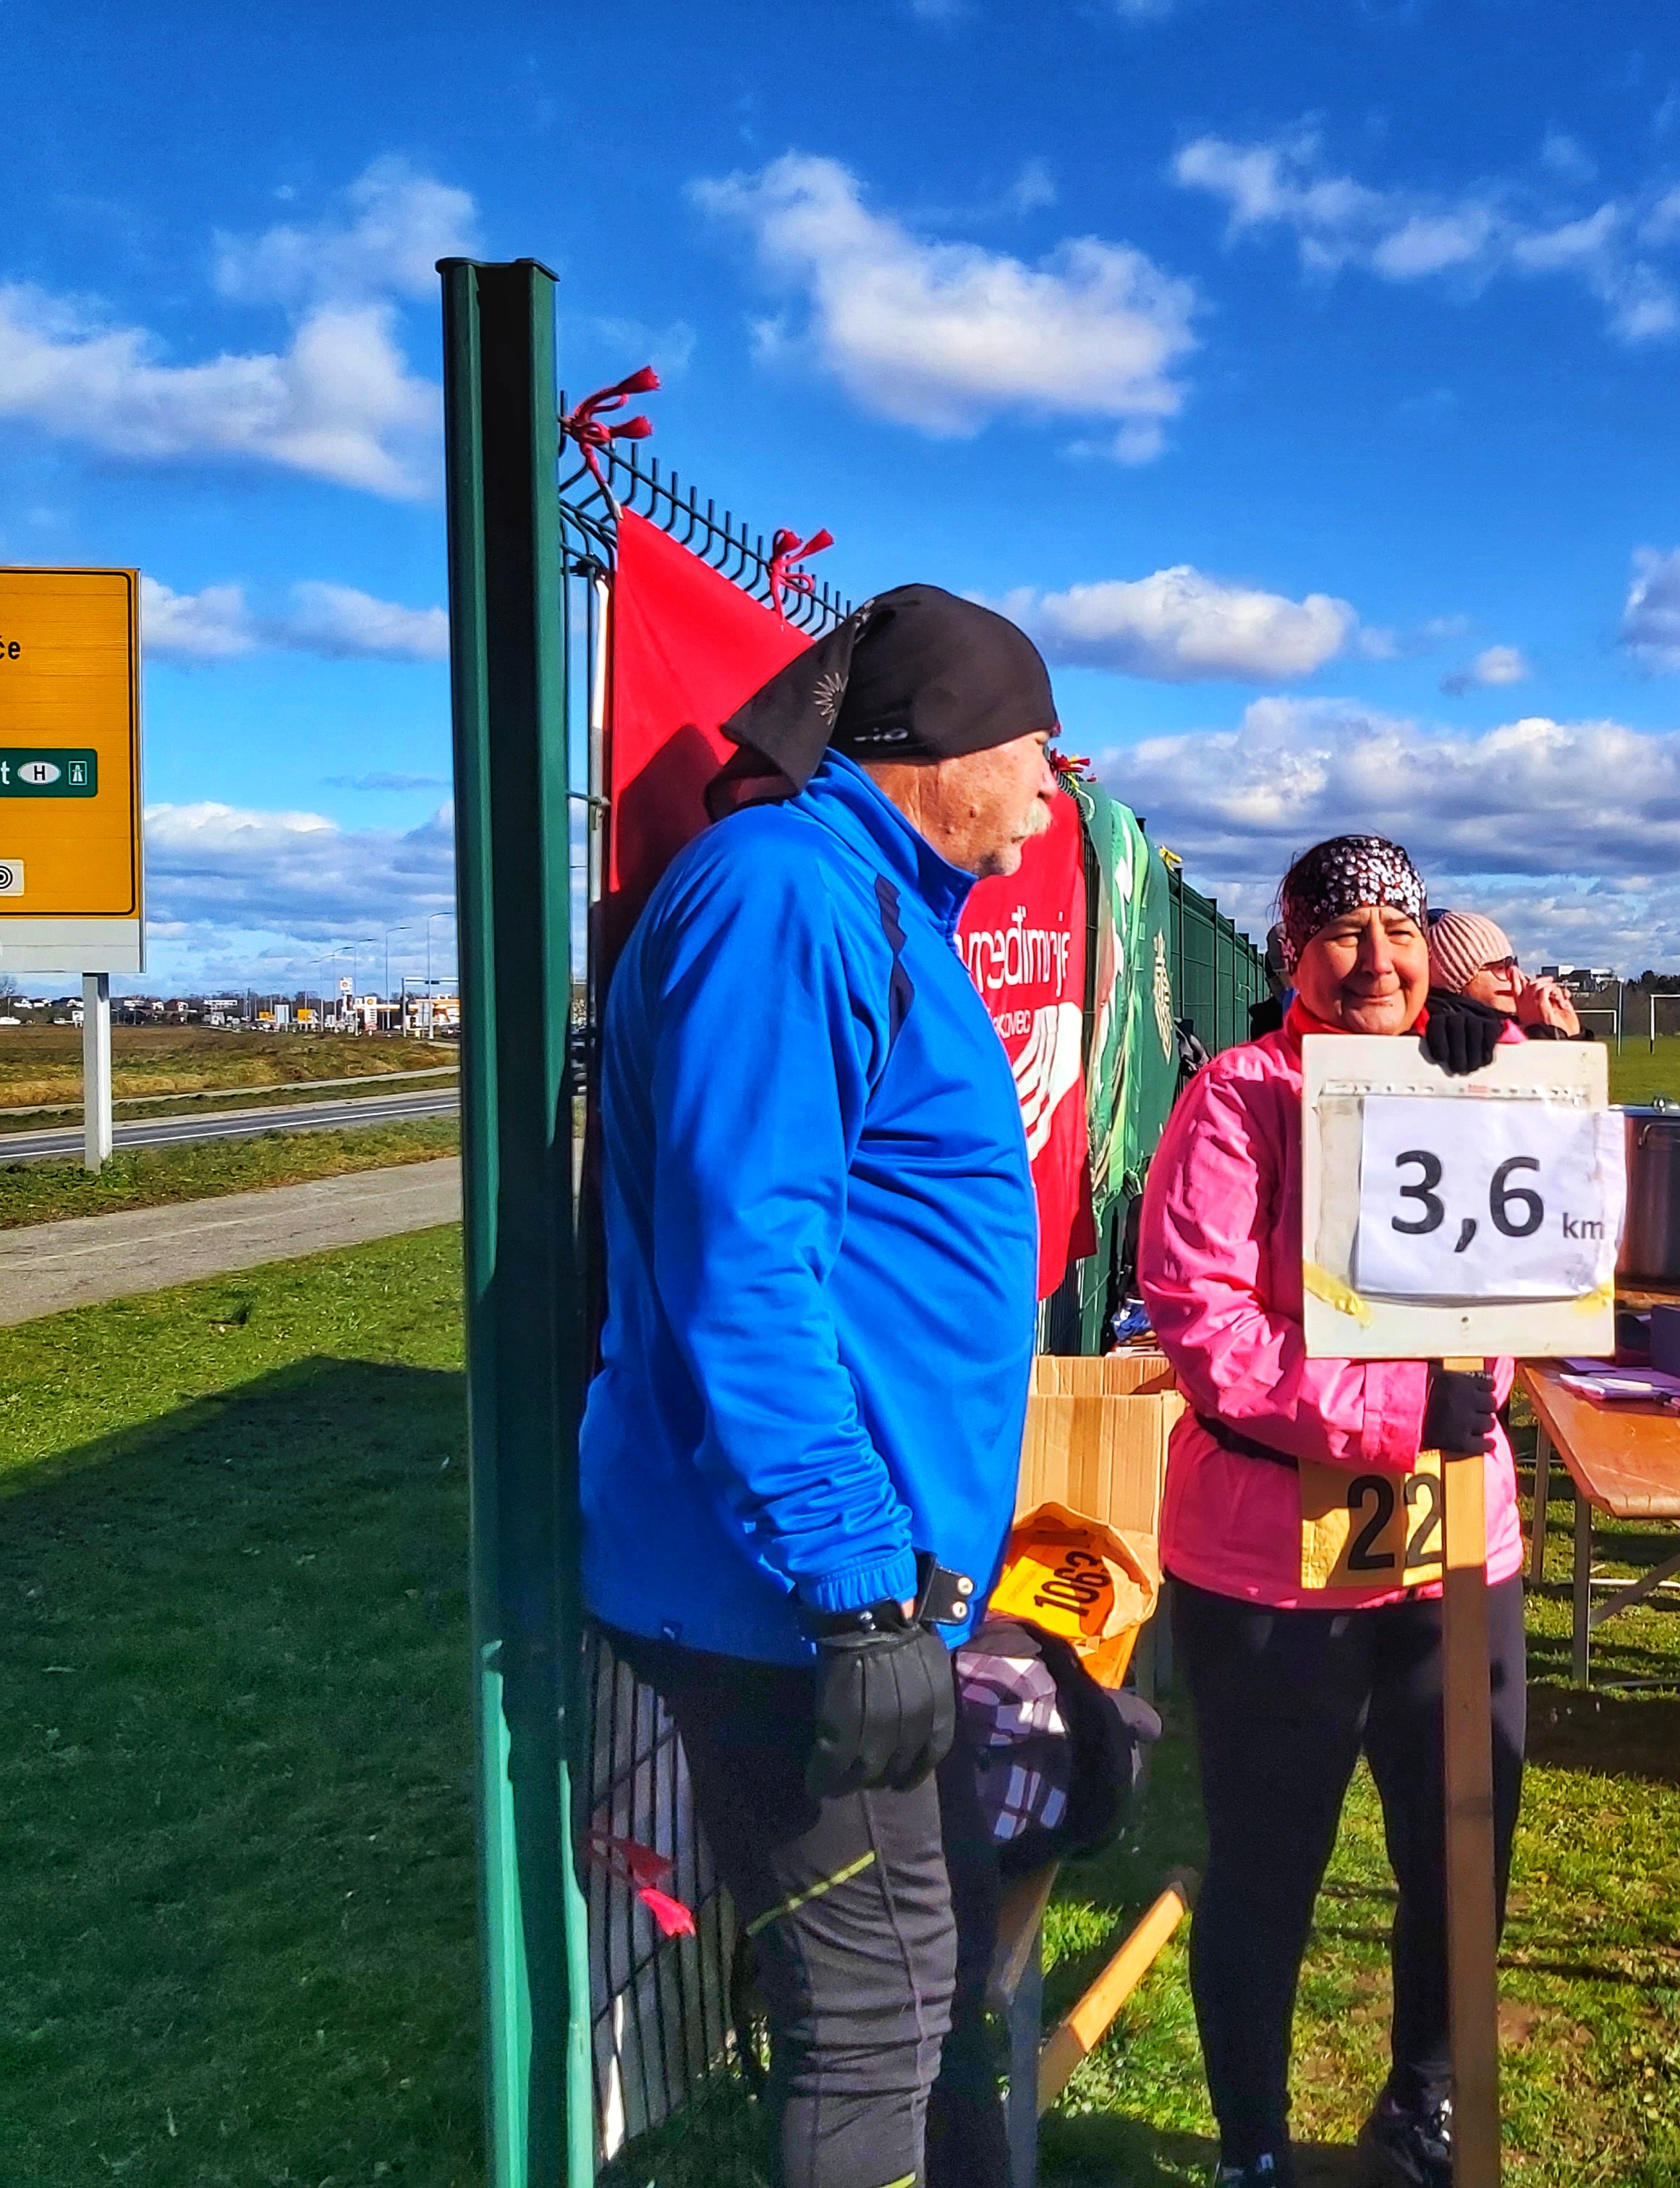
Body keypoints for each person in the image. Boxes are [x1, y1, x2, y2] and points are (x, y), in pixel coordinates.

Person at [581, 587, 1058, 2188]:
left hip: (851, 1580)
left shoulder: (869, 898)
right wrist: (854, 1588)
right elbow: (744, 1264)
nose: (1049, 788)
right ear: (947, 744)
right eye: (1036, 747)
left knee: (934, 1960)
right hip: (787, 1591)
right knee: (873, 2013)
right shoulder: (786, 894)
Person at [1140, 836, 1524, 2188]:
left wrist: (1506, 1068)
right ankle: (1251, 2136)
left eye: (1400, 930)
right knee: (1268, 1861)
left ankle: (1424, 2098)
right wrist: (1396, 1411)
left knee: (1463, 1848)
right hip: (1271, 1565)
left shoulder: (1473, 1074)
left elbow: (1541, 1250)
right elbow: (1205, 1325)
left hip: (1454, 1543)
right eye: (1343, 932)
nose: (1377, 958)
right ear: (1292, 955)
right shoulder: (1235, 1097)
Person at [1425, 908, 1584, 1037]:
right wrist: (1541, 1033)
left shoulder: (1507, 1027)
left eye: (1514, 964)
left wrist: (1569, 1031)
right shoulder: (1452, 1038)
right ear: (1454, 980)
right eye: (1500, 968)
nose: (1518, 976)